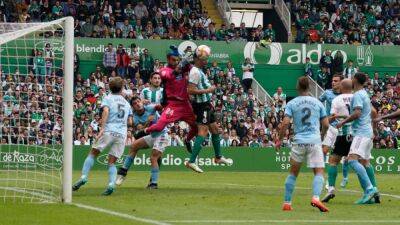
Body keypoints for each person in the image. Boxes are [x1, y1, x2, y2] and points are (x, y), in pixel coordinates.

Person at [275, 76, 329, 212]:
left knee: (293, 173)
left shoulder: (292, 103)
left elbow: (286, 123)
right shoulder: (318, 103)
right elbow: (326, 124)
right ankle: (316, 198)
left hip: (299, 141)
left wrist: (280, 140)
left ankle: (287, 203)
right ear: (309, 86)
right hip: (314, 141)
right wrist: (321, 136)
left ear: (297, 87)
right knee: (319, 172)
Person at [72, 77, 133, 196]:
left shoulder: (108, 98)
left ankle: (84, 177)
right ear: (121, 88)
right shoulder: (127, 103)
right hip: (121, 134)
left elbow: (105, 111)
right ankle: (111, 184)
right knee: (112, 162)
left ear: (110, 87)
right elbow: (130, 122)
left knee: (93, 153)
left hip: (109, 130)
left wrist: (102, 128)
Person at [135, 46, 197, 153]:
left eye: (177, 60)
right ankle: (144, 131)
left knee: (196, 127)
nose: (176, 62)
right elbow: (172, 76)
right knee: (159, 127)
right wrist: (182, 63)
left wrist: (194, 57)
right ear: (168, 59)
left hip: (185, 104)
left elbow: (194, 69)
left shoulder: (182, 67)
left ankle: (187, 140)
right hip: (173, 104)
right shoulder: (163, 70)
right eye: (173, 60)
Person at [185, 46, 233, 173]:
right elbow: (190, 90)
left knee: (216, 130)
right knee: (203, 131)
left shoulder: (199, 70)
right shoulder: (195, 72)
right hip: (201, 106)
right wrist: (208, 90)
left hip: (207, 104)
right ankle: (191, 161)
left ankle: (218, 157)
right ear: (198, 59)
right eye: (204, 59)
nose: (206, 61)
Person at [336, 72, 380, 204]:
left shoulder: (357, 95)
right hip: (367, 132)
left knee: (351, 160)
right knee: (365, 162)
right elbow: (372, 112)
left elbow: (357, 113)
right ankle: (374, 191)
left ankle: (369, 189)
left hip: (361, 133)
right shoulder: (365, 94)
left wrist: (343, 122)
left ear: (355, 80)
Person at [116, 97, 168, 189]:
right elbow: (142, 130)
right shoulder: (135, 117)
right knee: (133, 146)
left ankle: (153, 184)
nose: (138, 104)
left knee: (153, 157)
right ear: (133, 107)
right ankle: (122, 173)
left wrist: (161, 105)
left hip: (162, 134)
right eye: (135, 103)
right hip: (152, 135)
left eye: (139, 101)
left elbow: (160, 106)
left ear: (142, 102)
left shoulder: (150, 108)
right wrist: (148, 121)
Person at [322, 79, 353, 203]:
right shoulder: (327, 93)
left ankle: (332, 186)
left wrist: (328, 120)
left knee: (335, 160)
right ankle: (371, 188)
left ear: (342, 84)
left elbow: (334, 116)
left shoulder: (337, 99)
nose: (334, 83)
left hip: (342, 130)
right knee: (325, 152)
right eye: (333, 81)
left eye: (337, 81)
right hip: (342, 130)